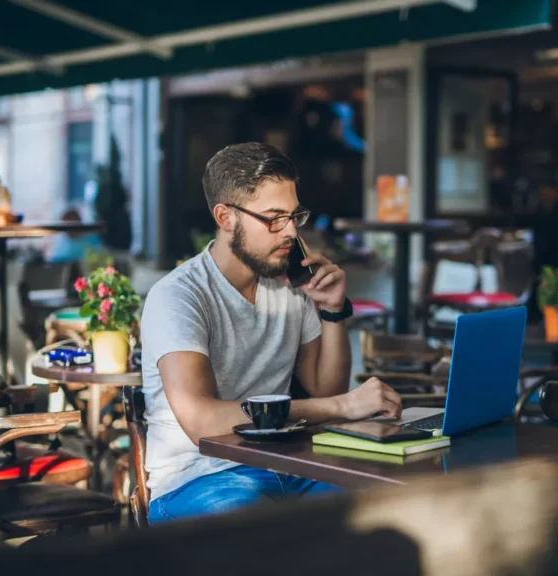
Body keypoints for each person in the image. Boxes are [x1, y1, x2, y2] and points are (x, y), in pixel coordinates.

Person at [141, 142, 402, 523]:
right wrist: (344, 407)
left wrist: (332, 309)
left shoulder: (290, 288)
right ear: (226, 216)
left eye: (295, 216)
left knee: (390, 506)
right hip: (198, 480)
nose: (291, 231)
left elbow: (323, 387)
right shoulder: (179, 296)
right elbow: (202, 422)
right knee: (267, 534)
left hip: (287, 467)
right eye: (275, 218)